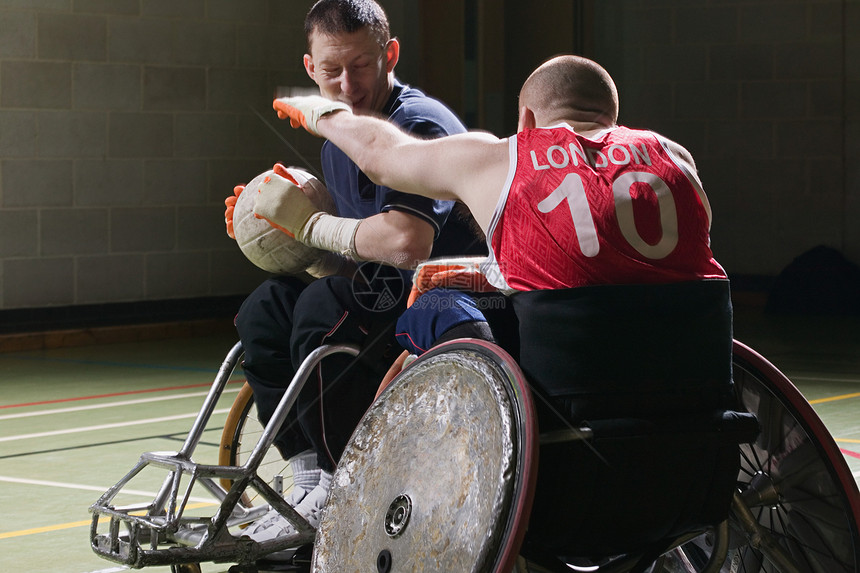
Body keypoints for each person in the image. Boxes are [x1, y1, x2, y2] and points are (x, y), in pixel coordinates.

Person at [266, 54, 744, 567]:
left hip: (568, 481)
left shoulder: (503, 156)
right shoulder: (676, 159)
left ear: (527, 121)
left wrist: (320, 113)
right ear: (613, 117)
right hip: (700, 470)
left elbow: (383, 153)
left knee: (435, 303)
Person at [225, 0, 485, 559]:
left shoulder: (417, 124)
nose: (347, 84)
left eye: (362, 65)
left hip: (447, 301)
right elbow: (351, 259)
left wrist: (313, 225)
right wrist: (280, 237)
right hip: (384, 293)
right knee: (266, 308)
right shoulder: (336, 142)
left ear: (389, 55)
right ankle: (309, 478)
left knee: (324, 307)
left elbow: (402, 243)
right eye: (331, 70)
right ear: (309, 69)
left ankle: (346, 485)